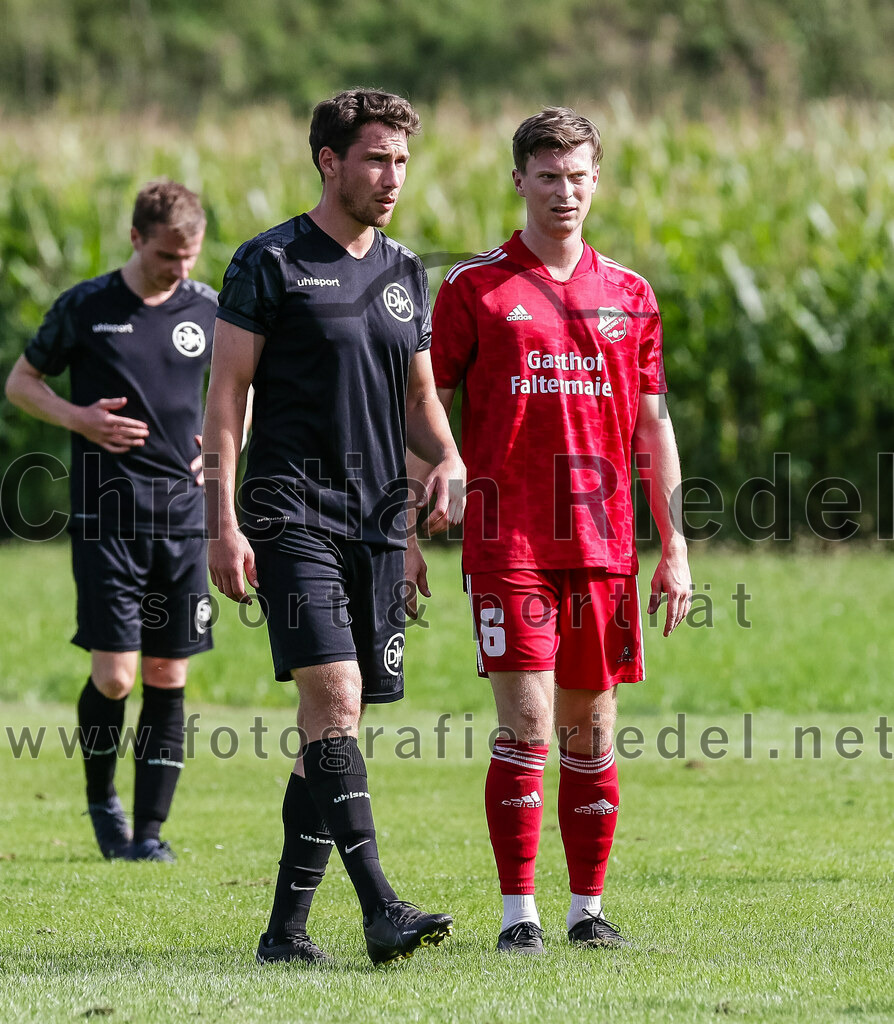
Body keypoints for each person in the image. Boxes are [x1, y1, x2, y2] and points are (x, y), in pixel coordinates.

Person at [410, 107, 692, 953]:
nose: (563, 193)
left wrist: (673, 544)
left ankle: (587, 910)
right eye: (547, 176)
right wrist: (410, 518)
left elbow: (653, 428)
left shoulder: (631, 295)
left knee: (591, 731)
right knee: (527, 727)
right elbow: (423, 409)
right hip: (510, 543)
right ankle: (517, 916)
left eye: (577, 177)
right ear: (519, 181)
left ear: (596, 181)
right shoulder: (474, 287)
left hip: (604, 545)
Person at [203, 88, 465, 966]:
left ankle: (283, 933)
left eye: (401, 160)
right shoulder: (267, 261)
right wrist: (221, 523)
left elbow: (420, 401)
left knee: (334, 732)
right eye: (376, 159)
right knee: (336, 700)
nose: (393, 177)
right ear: (329, 160)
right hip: (288, 513)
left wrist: (449, 465)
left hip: (375, 523)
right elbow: (226, 397)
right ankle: (382, 907)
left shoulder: (403, 271)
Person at [4, 180, 217, 863]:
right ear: (135, 239)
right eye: (165, 256)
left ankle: (150, 834)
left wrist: (222, 446)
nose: (179, 269)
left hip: (185, 520)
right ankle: (103, 800)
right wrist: (80, 419)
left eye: (189, 256)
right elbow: (22, 382)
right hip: (109, 519)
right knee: (116, 677)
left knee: (167, 672)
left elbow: (248, 385)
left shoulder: (209, 308)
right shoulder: (88, 308)